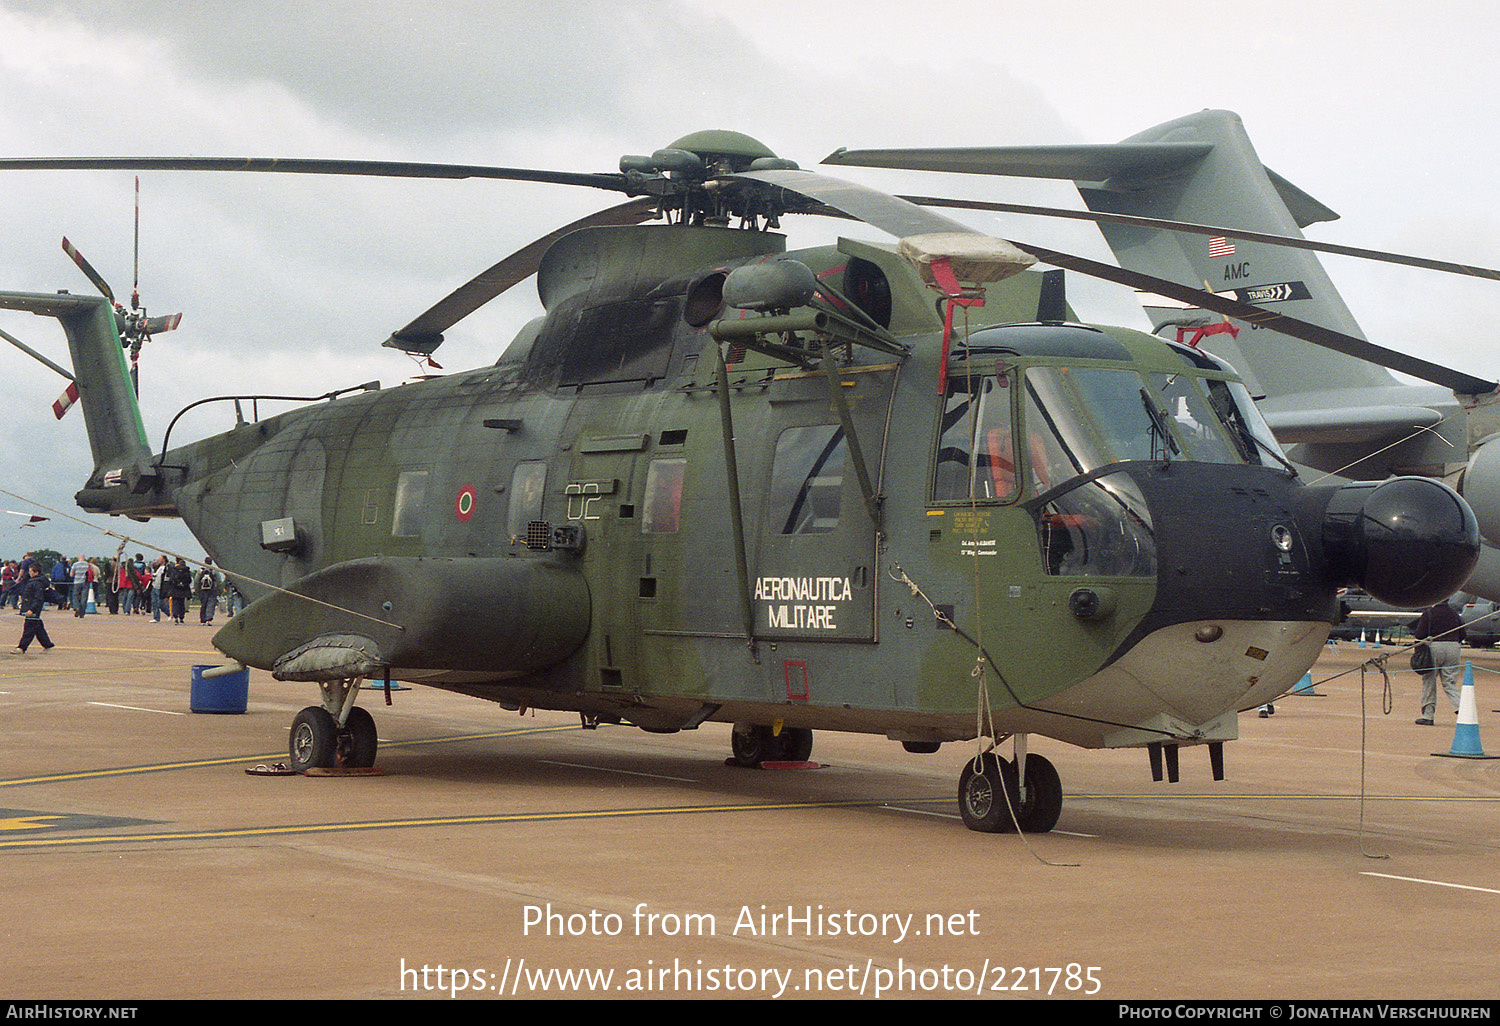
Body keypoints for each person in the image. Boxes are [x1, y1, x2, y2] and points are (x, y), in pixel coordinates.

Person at [1413, 600, 1465, 725]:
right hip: (1453, 647)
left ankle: (1428, 716)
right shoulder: (1455, 614)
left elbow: (1419, 634)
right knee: (1449, 682)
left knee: (1429, 681)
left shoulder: (1429, 614)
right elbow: (1463, 634)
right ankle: (1462, 710)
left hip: (1434, 646)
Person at [10, 563, 63, 654]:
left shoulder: (37, 583)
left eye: (31, 571)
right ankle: (48, 645)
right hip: (30, 607)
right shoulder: (33, 581)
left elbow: (38, 598)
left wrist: (32, 609)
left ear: (36, 572)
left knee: (29, 628)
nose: (29, 573)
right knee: (38, 627)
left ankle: (21, 647)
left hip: (33, 608)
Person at [196, 559, 219, 625]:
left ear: (204, 562)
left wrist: (197, 590)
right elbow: (218, 581)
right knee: (211, 604)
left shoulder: (201, 570)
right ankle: (208, 619)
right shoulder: (214, 570)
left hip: (203, 590)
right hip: (212, 590)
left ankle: (203, 620)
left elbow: (196, 581)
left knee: (203, 604)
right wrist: (219, 591)